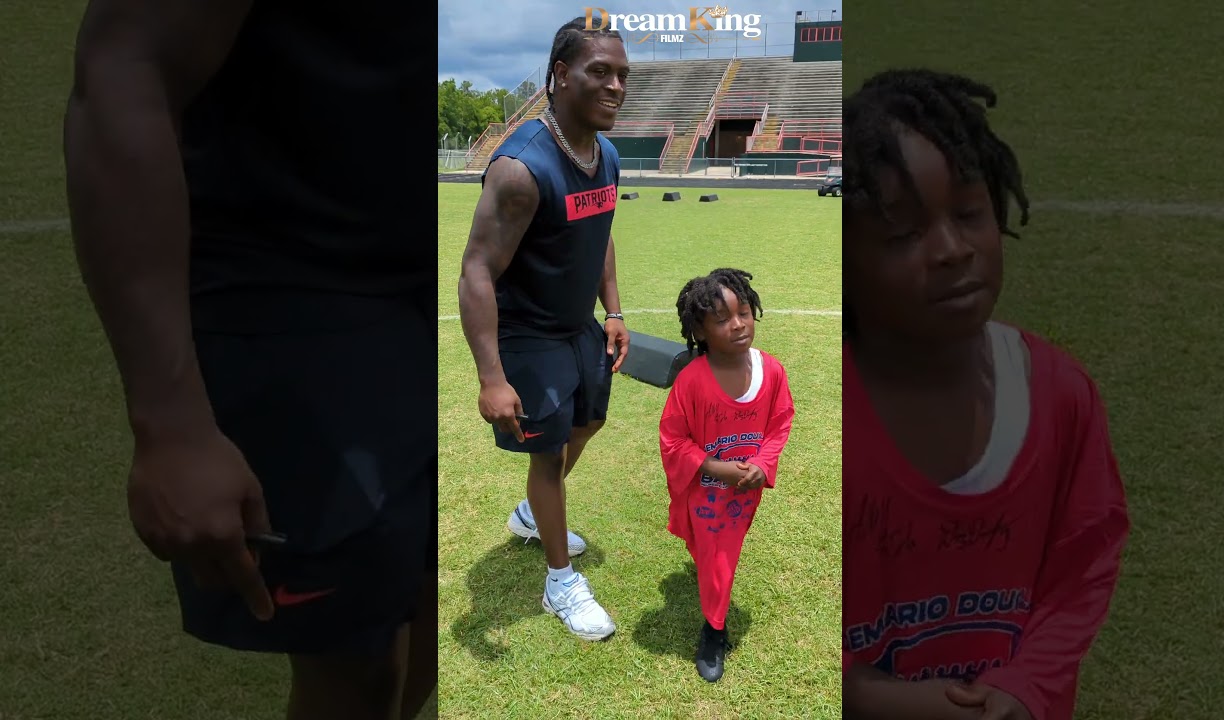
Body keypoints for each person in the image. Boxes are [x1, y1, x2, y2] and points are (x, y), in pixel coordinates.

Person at [63, 2, 434, 719]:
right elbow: (125, 64)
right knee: (354, 662)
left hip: (420, 280)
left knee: (421, 613)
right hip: (294, 287)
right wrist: (170, 425)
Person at [841, 69, 1131, 720]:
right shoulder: (824, 419)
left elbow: (1083, 566)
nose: (951, 250)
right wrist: (863, 695)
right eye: (903, 234)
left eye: (969, 214)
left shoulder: (1060, 395)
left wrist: (1026, 684)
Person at [456, 17, 631, 642]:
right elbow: (476, 271)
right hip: (526, 333)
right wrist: (491, 377)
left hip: (577, 325)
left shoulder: (606, 155)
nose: (615, 86)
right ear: (559, 75)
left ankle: (533, 514)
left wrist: (613, 311)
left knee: (590, 421)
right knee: (549, 453)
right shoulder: (520, 169)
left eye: (623, 75)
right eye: (599, 72)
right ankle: (561, 582)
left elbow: (601, 232)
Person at [659, 269, 796, 682]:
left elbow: (780, 423)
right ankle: (714, 630)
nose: (738, 325)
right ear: (700, 330)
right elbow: (673, 439)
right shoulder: (692, 382)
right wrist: (715, 467)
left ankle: (712, 613)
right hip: (705, 491)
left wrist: (763, 465)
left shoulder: (772, 372)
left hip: (745, 491)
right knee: (714, 554)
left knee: (719, 554)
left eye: (744, 313)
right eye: (722, 319)